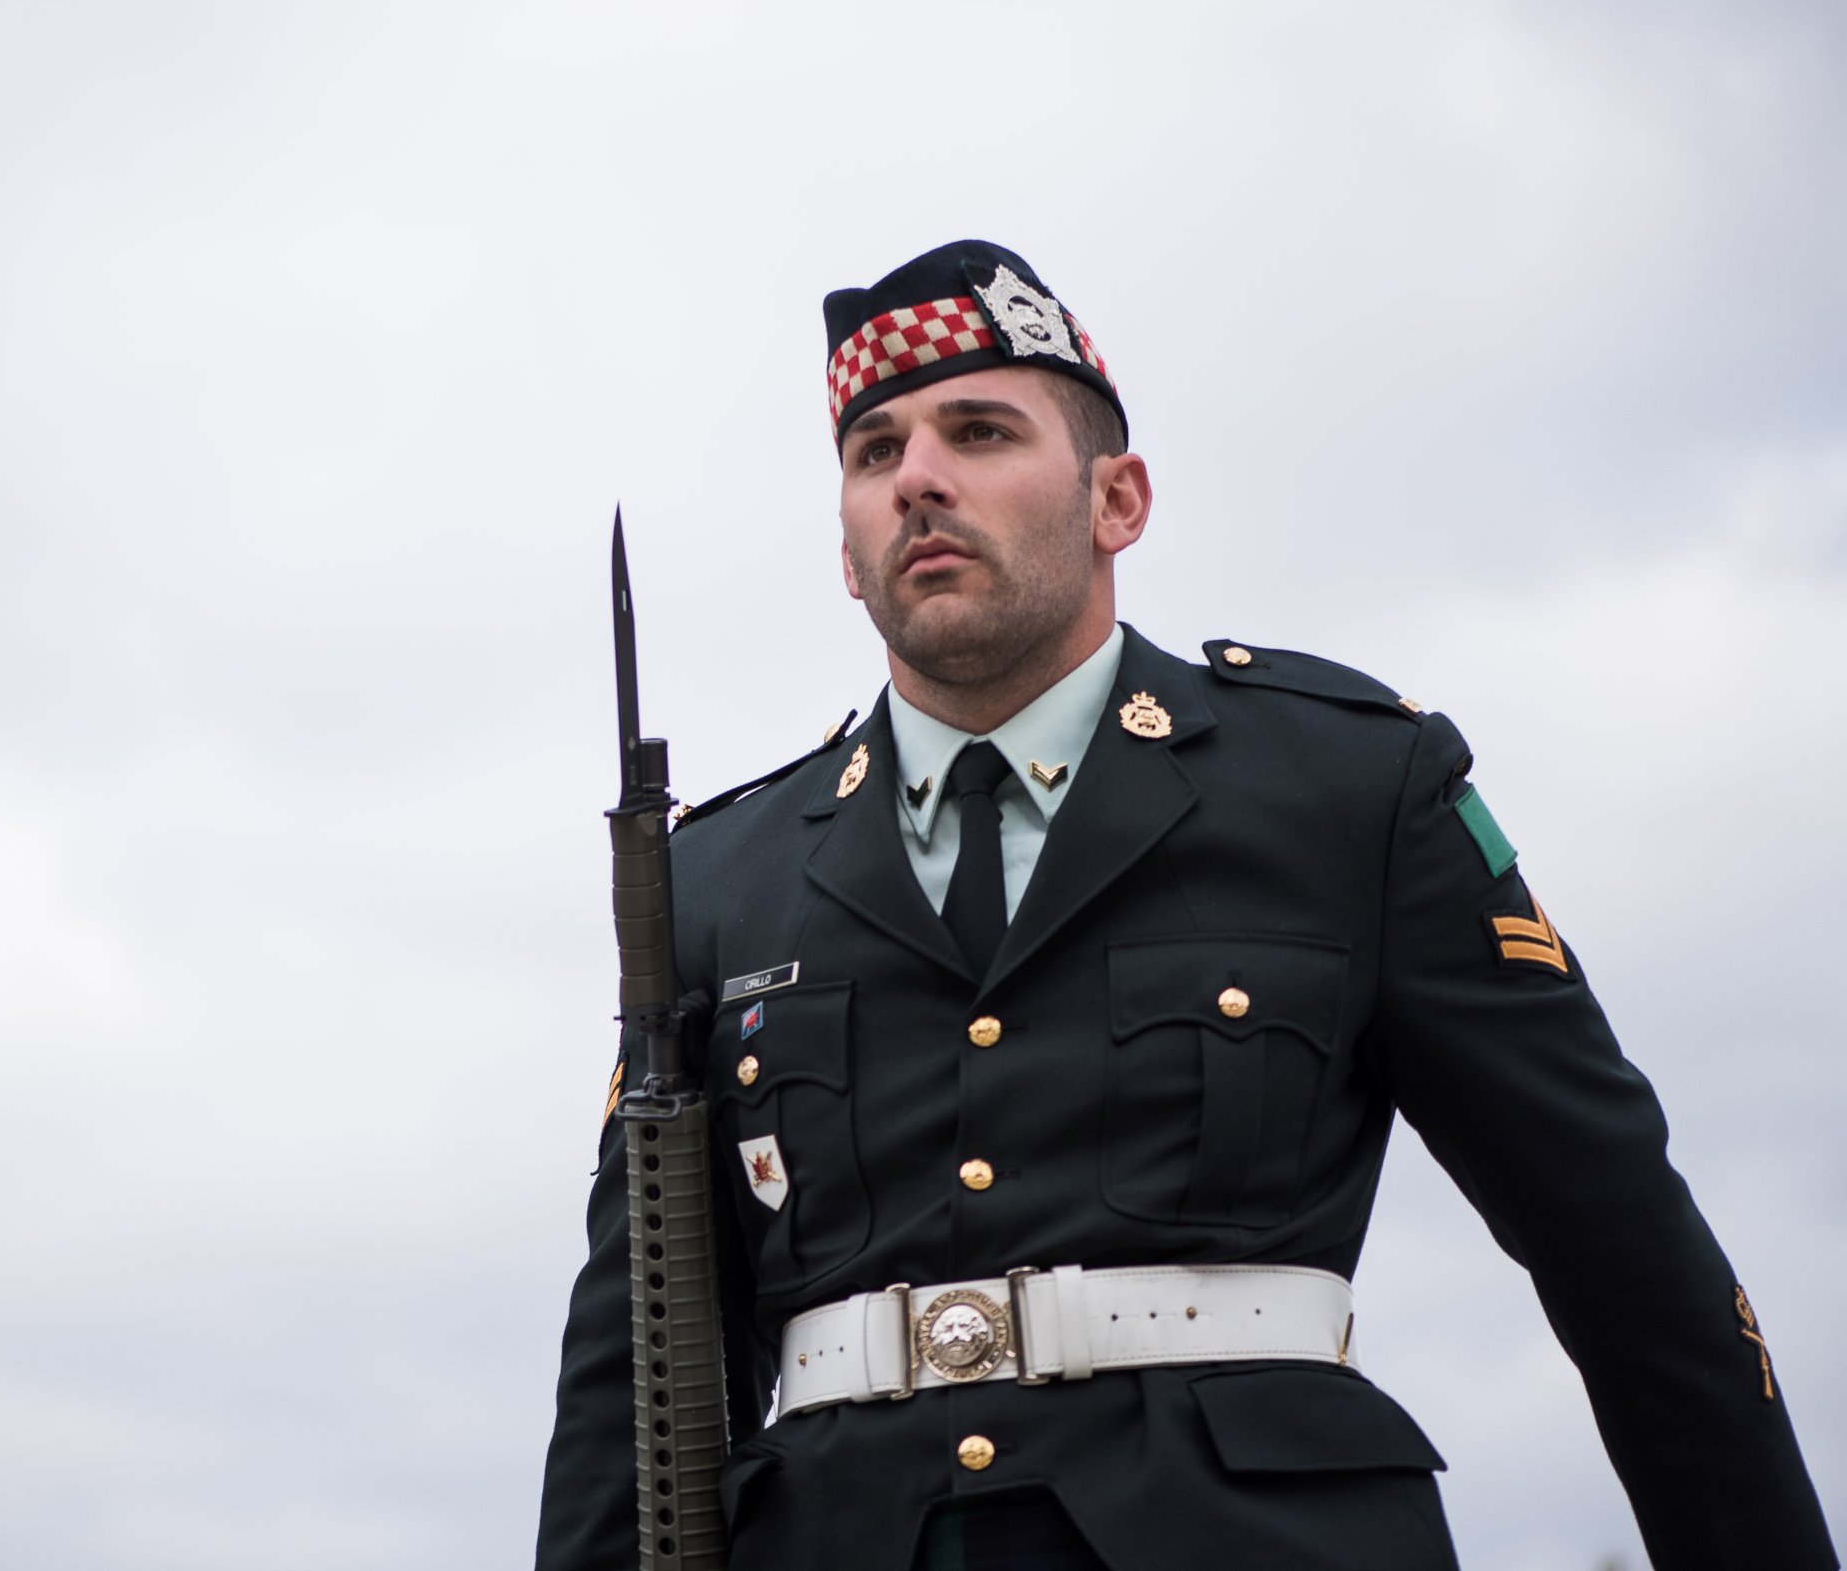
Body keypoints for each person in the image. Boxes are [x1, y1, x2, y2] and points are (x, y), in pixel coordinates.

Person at [533, 240, 1834, 1571]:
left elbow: (1627, 1262)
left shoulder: (1348, 789)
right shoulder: (717, 880)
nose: (918, 476)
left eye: (979, 431)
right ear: (850, 555)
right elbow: (626, 1386)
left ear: (1120, 500)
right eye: (875, 452)